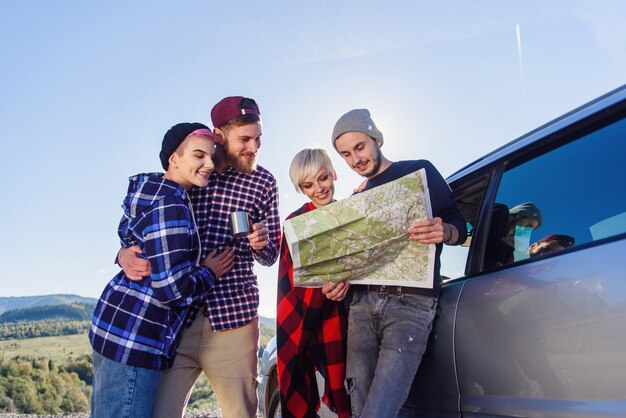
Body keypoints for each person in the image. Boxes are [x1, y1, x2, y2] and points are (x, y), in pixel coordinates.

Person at [118, 96, 281, 418]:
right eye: (245, 139)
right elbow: (142, 227)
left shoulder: (263, 182)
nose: (254, 148)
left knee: (242, 414)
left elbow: (272, 254)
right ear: (219, 136)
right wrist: (122, 253)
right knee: (160, 412)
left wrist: (262, 243)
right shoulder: (189, 171)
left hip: (234, 319)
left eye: (258, 139)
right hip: (177, 321)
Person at [89, 123, 235, 418]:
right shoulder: (173, 205)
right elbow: (172, 291)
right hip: (136, 336)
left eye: (210, 157)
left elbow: (127, 232)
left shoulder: (150, 191)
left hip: (114, 323)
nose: (208, 165)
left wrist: (122, 253)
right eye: (198, 156)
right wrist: (209, 271)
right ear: (174, 159)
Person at [330, 108, 468, 417]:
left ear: (377, 138)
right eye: (346, 154)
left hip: (411, 306)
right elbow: (355, 259)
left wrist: (445, 230)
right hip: (362, 306)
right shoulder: (353, 199)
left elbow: (461, 225)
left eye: (360, 147)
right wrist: (339, 281)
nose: (355, 159)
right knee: (360, 406)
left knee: (379, 410)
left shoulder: (419, 171)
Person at [277, 147, 351, 418]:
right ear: (301, 188)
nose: (319, 189)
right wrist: (322, 291)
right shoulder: (295, 223)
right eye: (309, 185)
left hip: (357, 314)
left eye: (323, 179)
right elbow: (291, 282)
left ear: (334, 174)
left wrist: (349, 284)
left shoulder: (352, 212)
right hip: (318, 323)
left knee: (361, 394)